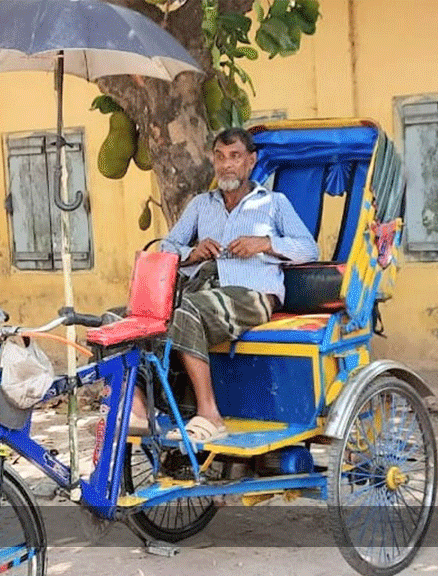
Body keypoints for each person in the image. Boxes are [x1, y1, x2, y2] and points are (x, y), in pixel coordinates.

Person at [129, 127, 319, 442]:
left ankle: (210, 415)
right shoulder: (202, 204)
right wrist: (193, 252)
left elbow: (309, 250)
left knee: (186, 311)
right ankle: (138, 407)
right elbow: (167, 247)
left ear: (251, 161)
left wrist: (265, 243)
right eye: (220, 157)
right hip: (204, 292)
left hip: (253, 294)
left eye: (235, 157)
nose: (226, 165)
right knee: (130, 316)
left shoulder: (273, 203)